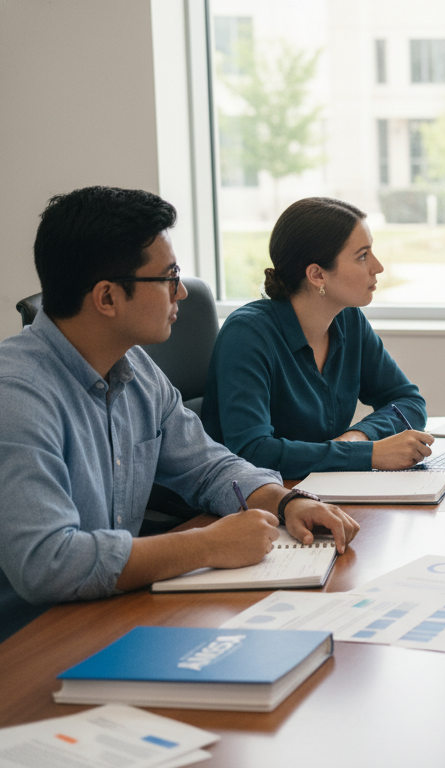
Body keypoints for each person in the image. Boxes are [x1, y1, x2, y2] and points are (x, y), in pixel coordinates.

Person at [0, 186, 359, 642]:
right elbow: (47, 562)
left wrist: (287, 502)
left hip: (110, 612)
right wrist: (205, 545)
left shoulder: (134, 369)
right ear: (107, 298)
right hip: (29, 641)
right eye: (169, 277)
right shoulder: (16, 396)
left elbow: (210, 468)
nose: (181, 293)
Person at [202, 197, 433, 478]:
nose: (378, 267)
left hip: (321, 493)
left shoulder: (348, 320)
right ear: (317, 275)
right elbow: (252, 452)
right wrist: (370, 454)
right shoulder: (247, 335)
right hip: (251, 506)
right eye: (362, 256)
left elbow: (407, 400)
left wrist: (358, 438)